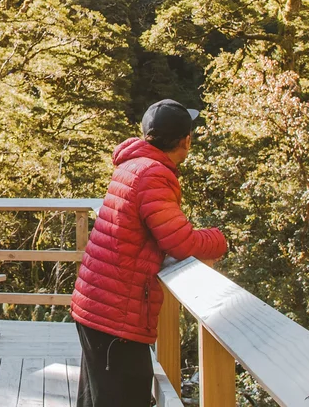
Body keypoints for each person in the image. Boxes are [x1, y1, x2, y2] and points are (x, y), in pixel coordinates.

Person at [72, 99, 229, 407]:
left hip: (100, 306)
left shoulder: (132, 165)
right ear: (186, 141)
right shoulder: (153, 175)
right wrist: (219, 239)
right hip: (116, 316)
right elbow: (180, 242)